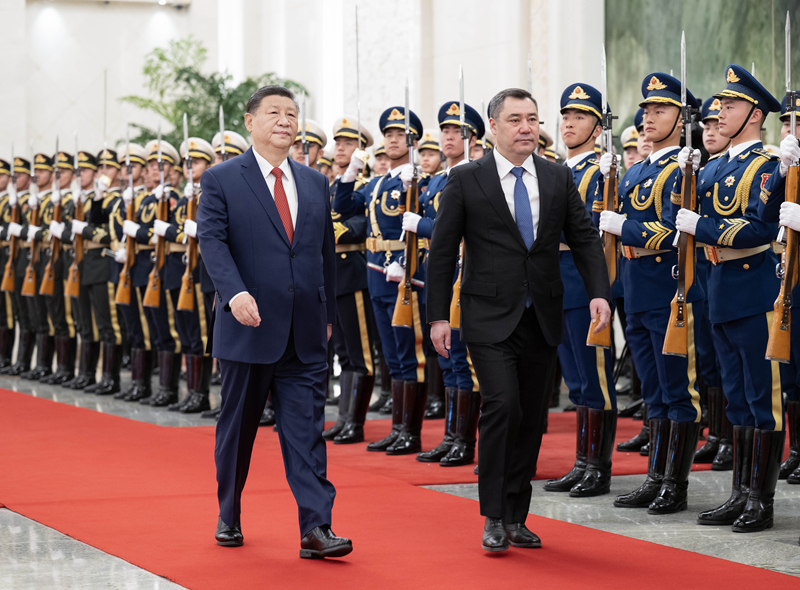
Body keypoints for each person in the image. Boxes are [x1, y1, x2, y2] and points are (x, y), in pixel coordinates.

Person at [427, 87, 611, 552]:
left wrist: (599, 293)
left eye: (532, 118)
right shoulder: (465, 179)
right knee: (502, 405)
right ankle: (492, 514)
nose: (526, 127)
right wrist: (437, 318)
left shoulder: (556, 176)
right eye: (515, 119)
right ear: (493, 127)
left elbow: (585, 240)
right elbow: (442, 252)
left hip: (542, 314)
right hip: (487, 315)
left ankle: (515, 515)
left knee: (530, 417)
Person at [198, 85, 350, 558]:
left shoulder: (314, 182)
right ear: (250, 122)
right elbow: (212, 242)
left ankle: (316, 527)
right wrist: (234, 292)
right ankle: (229, 512)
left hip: (305, 331)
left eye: (291, 113)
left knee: (306, 432)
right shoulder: (221, 179)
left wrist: (327, 316)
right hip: (249, 326)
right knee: (238, 429)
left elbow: (324, 253)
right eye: (273, 113)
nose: (285, 121)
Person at [677, 65, 783, 533]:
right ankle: (740, 494)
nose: (720, 113)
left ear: (755, 115)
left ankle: (761, 500)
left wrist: (701, 226)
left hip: (753, 289)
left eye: (732, 105)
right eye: (720, 104)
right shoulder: (715, 164)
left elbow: (760, 228)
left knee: (762, 398)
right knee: (736, 400)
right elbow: (682, 211)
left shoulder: (768, 166)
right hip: (718, 288)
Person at [599, 73, 705, 515]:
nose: (649, 117)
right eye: (646, 110)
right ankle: (655, 478)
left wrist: (625, 227)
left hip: (669, 288)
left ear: (681, 120)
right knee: (654, 391)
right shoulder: (638, 170)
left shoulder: (683, 169)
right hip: (637, 288)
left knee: (678, 389)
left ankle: (674, 485)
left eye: (660, 110)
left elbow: (676, 232)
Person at [334, 105, 430, 456]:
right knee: (391, 355)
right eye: (388, 134)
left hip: (404, 275)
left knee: (410, 353)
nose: (392, 140)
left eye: (400, 135)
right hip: (376, 274)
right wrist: (351, 172)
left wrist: (407, 263)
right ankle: (398, 428)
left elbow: (424, 232)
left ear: (413, 141)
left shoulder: (420, 181)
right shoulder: (376, 184)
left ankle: (411, 432)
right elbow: (344, 206)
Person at [544, 83, 617, 498]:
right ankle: (582, 463)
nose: (570, 124)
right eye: (566, 117)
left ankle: (598, 468)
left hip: (583, 281)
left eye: (581, 117)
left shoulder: (599, 172)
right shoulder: (556, 171)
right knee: (575, 381)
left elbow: (591, 231)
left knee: (595, 378)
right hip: (554, 282)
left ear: (598, 128)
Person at [411, 99, 483, 467]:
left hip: (468, 271)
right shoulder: (438, 179)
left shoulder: (478, 174)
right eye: (446, 130)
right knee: (449, 358)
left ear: (474, 138)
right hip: (443, 272)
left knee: (465, 358)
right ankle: (452, 436)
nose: (450, 137)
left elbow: (446, 227)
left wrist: (422, 226)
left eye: (459, 131)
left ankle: (465, 441)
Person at [322, 116, 378, 445]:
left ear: (362, 150)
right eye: (338, 143)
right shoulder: (334, 186)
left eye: (348, 143)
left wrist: (325, 230)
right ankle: (344, 419)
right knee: (343, 352)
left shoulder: (365, 185)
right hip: (334, 275)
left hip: (354, 273)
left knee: (360, 353)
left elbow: (358, 227)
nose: (340, 148)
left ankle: (355, 422)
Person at [760, 89, 800, 485]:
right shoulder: (785, 165)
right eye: (786, 123)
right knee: (791, 373)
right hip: (789, 281)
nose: (790, 130)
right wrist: (783, 172)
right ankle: (798, 450)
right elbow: (764, 212)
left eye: (798, 123)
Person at [692, 97, 731, 470]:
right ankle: (717, 433)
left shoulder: (740, 169)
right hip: (704, 269)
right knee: (707, 355)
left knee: (726, 359)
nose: (711, 131)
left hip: (726, 266)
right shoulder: (703, 170)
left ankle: (729, 436)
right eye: (706, 125)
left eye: (718, 124)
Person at [71, 149, 125, 395]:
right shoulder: (97, 198)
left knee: (108, 324)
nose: (103, 173)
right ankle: (88, 374)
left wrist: (84, 230)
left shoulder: (117, 199)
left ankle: (111, 378)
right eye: (100, 168)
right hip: (88, 264)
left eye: (108, 168)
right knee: (88, 322)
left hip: (104, 263)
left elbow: (107, 235)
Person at [62, 152, 101, 390]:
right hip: (77, 263)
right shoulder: (73, 201)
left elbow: (101, 231)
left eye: (85, 170)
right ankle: (83, 373)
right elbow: (65, 232)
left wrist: (82, 228)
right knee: (82, 321)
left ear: (95, 173)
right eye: (78, 171)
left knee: (97, 323)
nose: (80, 175)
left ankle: (95, 374)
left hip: (94, 263)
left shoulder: (99, 199)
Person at [4, 157, 35, 376]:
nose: (15, 180)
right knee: (15, 312)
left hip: (23, 257)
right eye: (13, 176)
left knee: (25, 312)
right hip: (9, 258)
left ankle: (23, 360)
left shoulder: (30, 201)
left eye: (19, 176)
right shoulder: (9, 201)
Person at [0, 159, 14, 370]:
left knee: (6, 310)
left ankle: (5, 356)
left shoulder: (11, 202)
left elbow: (14, 228)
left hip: (4, 256)